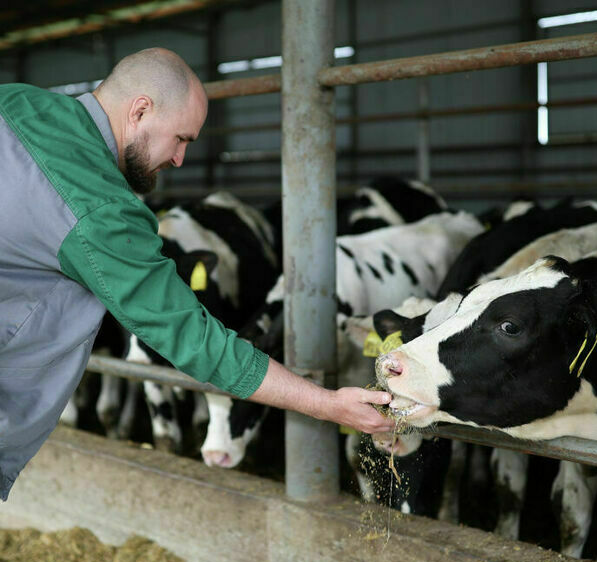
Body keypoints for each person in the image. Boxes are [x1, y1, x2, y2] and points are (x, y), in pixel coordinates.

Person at [0, 47, 394, 501]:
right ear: (140, 111)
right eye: (180, 139)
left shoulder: (15, 101)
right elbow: (192, 337)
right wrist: (326, 404)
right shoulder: (101, 211)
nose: (180, 159)